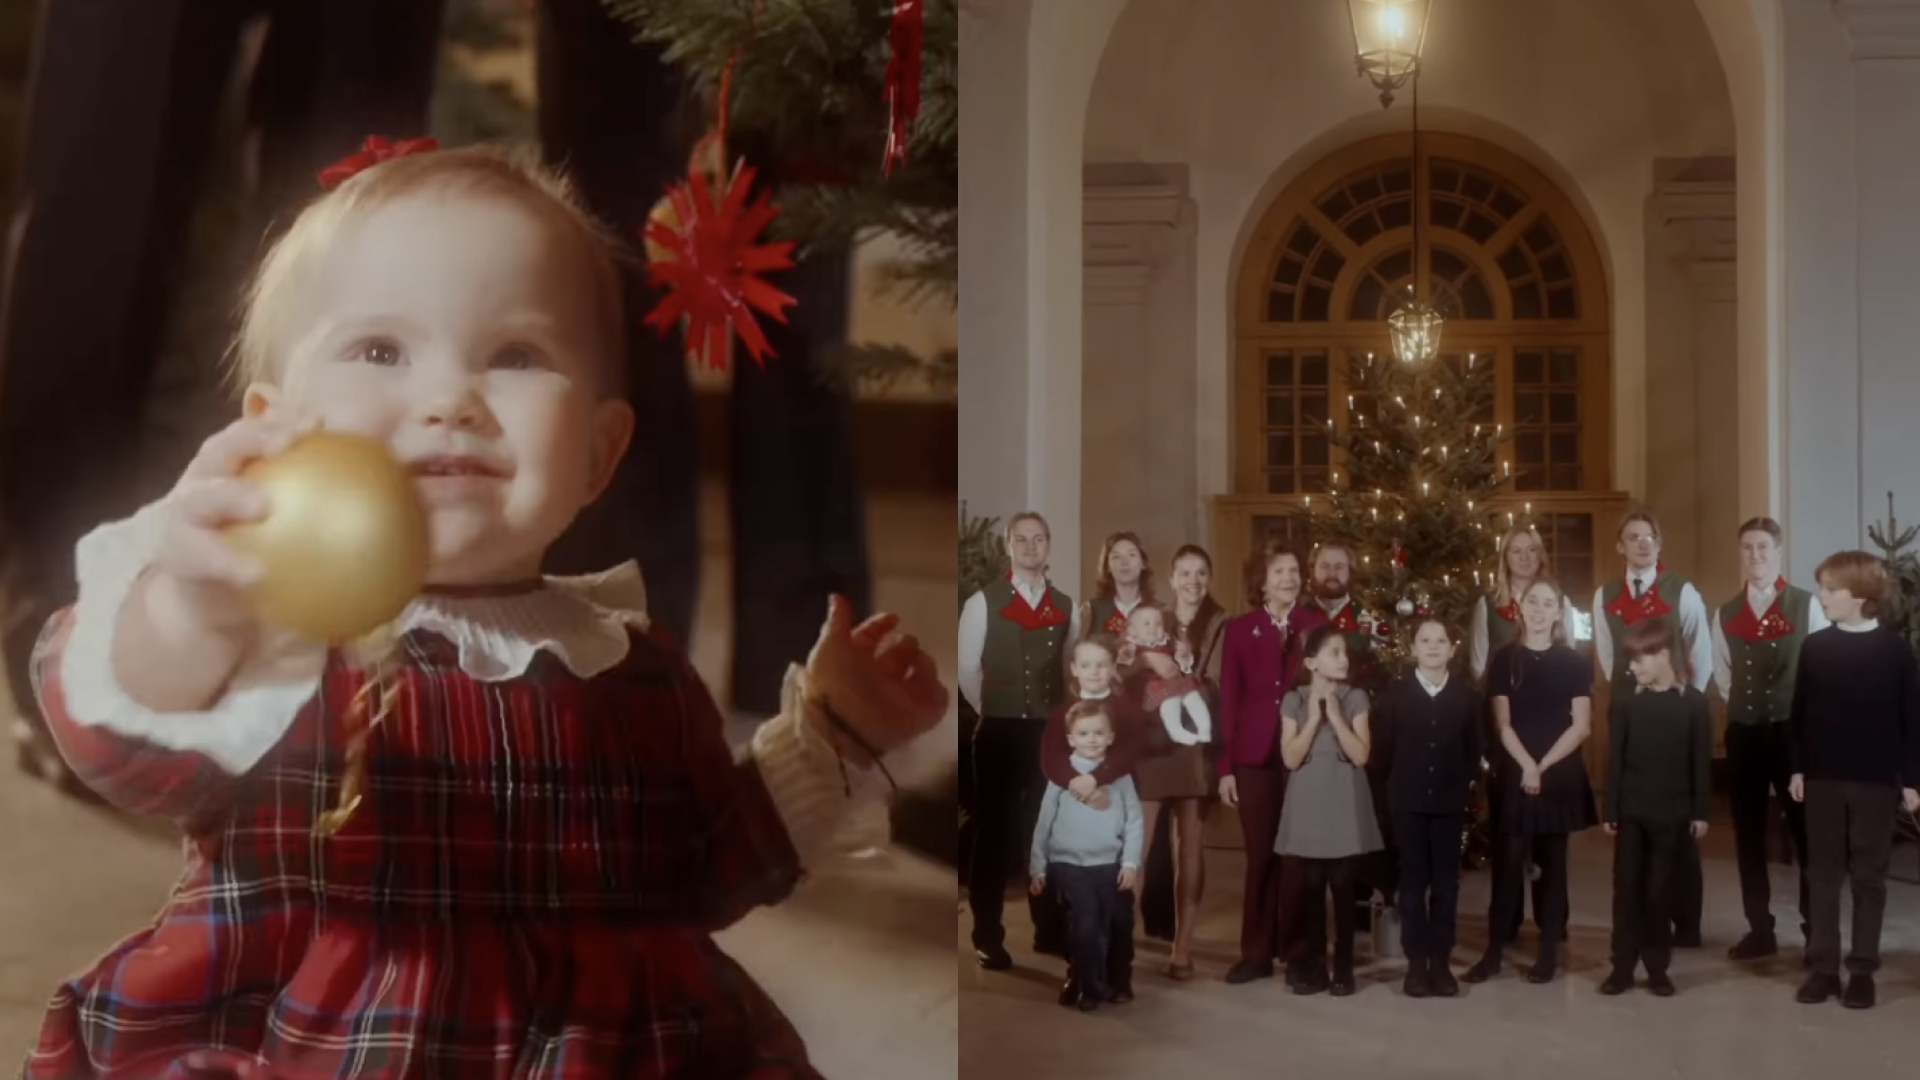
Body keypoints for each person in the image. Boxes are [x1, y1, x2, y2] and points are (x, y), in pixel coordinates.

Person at [17, 144, 948, 1079]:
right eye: (380, 349)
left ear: (598, 449)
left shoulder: (628, 667)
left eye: (515, 355)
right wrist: (194, 607)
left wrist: (833, 734)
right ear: (271, 424)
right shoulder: (275, 632)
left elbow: (701, 867)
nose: (450, 399)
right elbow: (122, 753)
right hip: (331, 1045)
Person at [1787, 551, 1920, 1010]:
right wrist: (1798, 767)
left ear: (1860, 596)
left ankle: (1862, 969)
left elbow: (1911, 720)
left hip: (1877, 782)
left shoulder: (1894, 651)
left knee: (1869, 878)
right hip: (1822, 779)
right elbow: (1799, 715)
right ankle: (1824, 968)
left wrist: (1911, 779)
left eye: (1830, 589)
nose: (1821, 596)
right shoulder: (1816, 647)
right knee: (1822, 876)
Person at [959, 512, 1078, 969]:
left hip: (1047, 733)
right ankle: (987, 934)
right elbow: (969, 672)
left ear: (1049, 546)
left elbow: (1070, 673)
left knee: (1043, 832)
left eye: (1039, 539)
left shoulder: (1067, 606)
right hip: (999, 731)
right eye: (1021, 540)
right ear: (1009, 546)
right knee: (992, 834)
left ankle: (1048, 930)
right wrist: (999, 708)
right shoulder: (982, 603)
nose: (1030, 547)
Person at [1592, 507, 1712, 947]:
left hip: (1676, 710)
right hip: (1632, 707)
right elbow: (1608, 658)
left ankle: (1687, 924)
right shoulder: (1604, 595)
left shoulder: (1683, 591)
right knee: (1637, 830)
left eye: (1649, 537)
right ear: (1620, 545)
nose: (1642, 544)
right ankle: (1640, 923)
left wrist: (1685, 704)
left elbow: (1700, 646)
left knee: (1678, 833)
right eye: (1633, 537)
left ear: (1659, 545)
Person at [1466, 578, 1596, 985]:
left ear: (1559, 612)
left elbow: (1581, 726)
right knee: (1507, 864)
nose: (1539, 610)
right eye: (1532, 602)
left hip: (1558, 770)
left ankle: (1546, 954)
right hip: (1516, 768)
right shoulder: (1505, 660)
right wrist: (1526, 766)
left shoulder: (1574, 662)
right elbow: (1502, 723)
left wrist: (1543, 766)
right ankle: (1492, 953)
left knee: (1554, 866)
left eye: (1548, 603)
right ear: (1520, 608)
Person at [1712, 515, 1825, 962]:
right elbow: (1723, 676)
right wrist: (1747, 709)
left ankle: (1816, 929)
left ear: (1778, 552)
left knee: (1806, 833)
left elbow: (1820, 669)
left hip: (1792, 736)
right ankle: (1760, 929)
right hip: (1745, 734)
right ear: (1740, 554)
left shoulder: (1805, 605)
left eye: (1762, 548)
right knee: (1748, 835)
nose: (1754, 556)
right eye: (1747, 548)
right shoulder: (1724, 612)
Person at [1216, 537, 1328, 986]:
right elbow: (1229, 699)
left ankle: (1299, 953)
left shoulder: (1315, 624)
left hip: (1301, 752)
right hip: (1253, 755)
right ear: (1261, 582)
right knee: (1261, 854)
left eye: (1293, 571)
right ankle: (1257, 953)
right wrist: (1225, 767)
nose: (1288, 578)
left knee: (1298, 855)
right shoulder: (1240, 630)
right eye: (1278, 571)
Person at [1470, 525, 1577, 943]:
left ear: (1541, 555)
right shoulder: (1488, 605)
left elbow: (1570, 654)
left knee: (1551, 834)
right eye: (1515, 550)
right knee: (1509, 833)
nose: (1524, 556)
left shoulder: (1558, 601)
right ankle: (1508, 919)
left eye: (1531, 549)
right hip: (1506, 728)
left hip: (1551, 731)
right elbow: (1480, 665)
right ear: (1504, 557)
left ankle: (1554, 920)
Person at [1600, 619, 1712, 997]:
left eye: (1639, 659)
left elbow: (1700, 761)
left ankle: (1657, 968)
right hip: (1632, 813)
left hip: (1673, 815)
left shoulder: (1694, 704)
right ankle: (1622, 967)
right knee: (1627, 890)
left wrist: (1700, 812)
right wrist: (1611, 810)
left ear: (1663, 654)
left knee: (1660, 893)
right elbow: (1615, 760)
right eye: (1630, 660)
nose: (1632, 667)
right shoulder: (1627, 703)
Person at [1376, 618, 1483, 998]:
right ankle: (1416, 962)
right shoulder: (1395, 697)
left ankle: (1440, 960)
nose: (1434, 646)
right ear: (1413, 649)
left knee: (1446, 885)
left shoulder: (1466, 699)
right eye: (1425, 640)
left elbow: (1474, 752)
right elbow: (1383, 755)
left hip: (1449, 805)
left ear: (1452, 650)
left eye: (1442, 640)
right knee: (1411, 885)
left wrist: (1459, 784)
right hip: (1407, 804)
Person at [1135, 544, 1227, 979]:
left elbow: (1222, 683)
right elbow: (1123, 661)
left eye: (1201, 574)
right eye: (1185, 574)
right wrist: (1146, 661)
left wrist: (1188, 678)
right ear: (1172, 579)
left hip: (1194, 745)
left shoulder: (1221, 623)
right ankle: (1120, 937)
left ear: (1209, 579)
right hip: (1154, 744)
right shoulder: (1154, 619)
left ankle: (1183, 947)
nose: (1193, 582)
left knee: (1190, 848)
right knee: (1137, 844)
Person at [1275, 625, 1381, 997]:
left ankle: (1345, 966)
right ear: (1311, 662)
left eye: (1344, 652)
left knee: (1342, 884)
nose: (1343, 658)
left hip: (1344, 799)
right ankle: (1315, 962)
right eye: (1334, 652)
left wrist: (1335, 715)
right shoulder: (1294, 701)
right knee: (1312, 885)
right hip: (1309, 801)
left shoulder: (1356, 698)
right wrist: (1316, 717)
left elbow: (1361, 754)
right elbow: (1290, 757)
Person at [1037, 634, 1146, 969]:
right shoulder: (1061, 713)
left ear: (1114, 668)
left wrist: (1098, 780)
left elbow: (1131, 751)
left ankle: (1118, 973)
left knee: (1116, 909)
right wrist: (1078, 784)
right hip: (1073, 805)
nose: (1094, 672)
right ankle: (1080, 972)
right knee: (1076, 911)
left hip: (1113, 802)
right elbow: (1050, 758)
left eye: (1102, 665)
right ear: (1074, 669)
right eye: (1086, 665)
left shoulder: (1126, 711)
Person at [1028, 700, 1144, 1012]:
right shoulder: (1062, 777)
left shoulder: (1119, 778)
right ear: (1070, 739)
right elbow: (1043, 824)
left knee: (1119, 925)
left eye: (1098, 733)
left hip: (1110, 866)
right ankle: (1088, 986)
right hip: (1069, 865)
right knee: (1085, 926)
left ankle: (1120, 981)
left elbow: (1134, 821)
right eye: (1083, 733)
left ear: (1110, 737)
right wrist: (1038, 867)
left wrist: (1131, 862)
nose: (1091, 739)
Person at [1120, 605, 1213, 745]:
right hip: (1155, 684)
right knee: (1170, 701)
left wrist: (1183, 655)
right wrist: (1132, 657)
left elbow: (1182, 661)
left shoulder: (1169, 641)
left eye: (1158, 624)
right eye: (1146, 623)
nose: (1153, 627)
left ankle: (1205, 728)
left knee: (1192, 695)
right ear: (1132, 630)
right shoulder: (1131, 646)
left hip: (1176, 680)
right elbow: (1124, 666)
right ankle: (1176, 730)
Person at [1076, 532, 1152, 640]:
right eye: (1116, 557)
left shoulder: (1159, 611)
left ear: (1143, 563)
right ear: (1108, 567)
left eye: (1131, 555)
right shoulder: (1091, 611)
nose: (1124, 562)